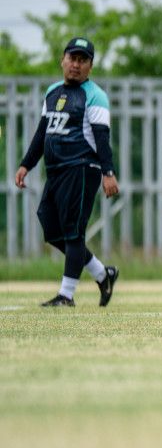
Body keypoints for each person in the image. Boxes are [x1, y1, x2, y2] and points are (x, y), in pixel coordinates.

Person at [14, 37, 119, 308]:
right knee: (50, 227)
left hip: (82, 168)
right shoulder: (52, 92)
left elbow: (101, 137)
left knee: (73, 232)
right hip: (57, 171)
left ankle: (66, 295)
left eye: (82, 60)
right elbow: (42, 133)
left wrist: (108, 171)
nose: (76, 64)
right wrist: (27, 163)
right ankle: (101, 273)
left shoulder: (95, 95)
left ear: (90, 67)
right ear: (63, 59)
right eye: (72, 58)